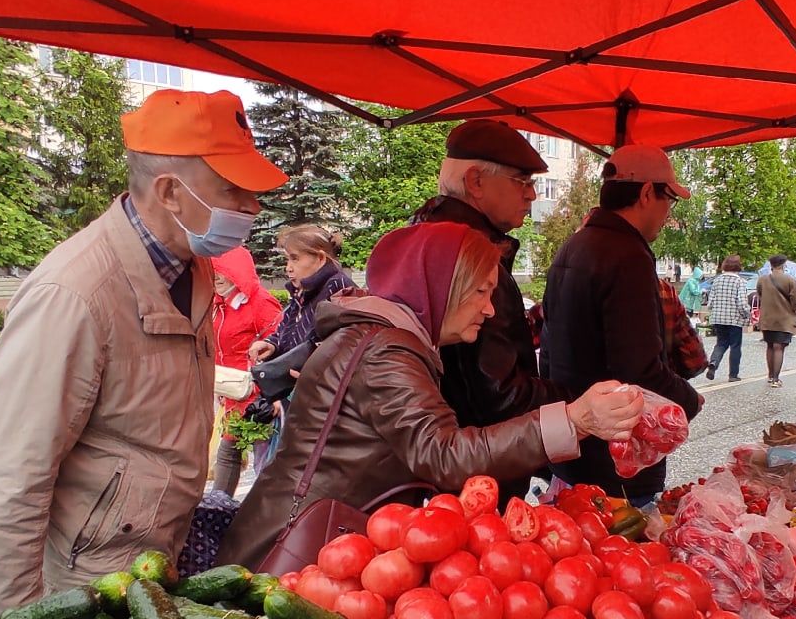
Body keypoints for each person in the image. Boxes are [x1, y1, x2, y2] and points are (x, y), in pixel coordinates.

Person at [0, 89, 283, 619]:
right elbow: (10, 479)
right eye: (233, 190)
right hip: (87, 591)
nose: (252, 207)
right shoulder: (74, 295)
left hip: (157, 570)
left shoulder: (192, 268)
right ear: (169, 192)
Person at [216, 224, 643, 568]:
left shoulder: (383, 339)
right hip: (296, 553)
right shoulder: (385, 352)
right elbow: (443, 453)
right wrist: (573, 420)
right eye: (480, 291)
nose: (490, 309)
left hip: (319, 542)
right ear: (440, 286)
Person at [411, 120, 570, 498]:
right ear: (476, 181)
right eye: (522, 181)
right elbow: (495, 393)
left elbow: (471, 357)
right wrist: (575, 400)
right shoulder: (471, 254)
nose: (532, 195)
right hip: (478, 471)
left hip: (445, 464)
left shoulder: (426, 234)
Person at [541, 145, 705, 504]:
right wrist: (690, 401)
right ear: (647, 193)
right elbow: (640, 370)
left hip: (572, 446)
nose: (667, 214)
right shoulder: (627, 256)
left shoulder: (574, 245)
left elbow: (549, 351)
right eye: (668, 200)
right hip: (616, 461)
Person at [210, 248, 283, 495]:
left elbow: (282, 345)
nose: (216, 276)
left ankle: (264, 517)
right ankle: (220, 509)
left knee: (264, 462)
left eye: (221, 270)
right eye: (213, 271)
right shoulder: (218, 305)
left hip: (259, 397)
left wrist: (272, 395)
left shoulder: (260, 302)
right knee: (231, 453)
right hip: (233, 394)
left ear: (236, 272)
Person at [248, 224, 353, 370]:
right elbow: (287, 333)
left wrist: (312, 376)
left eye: (295, 259)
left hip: (318, 389)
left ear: (320, 258)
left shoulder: (341, 291)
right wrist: (271, 345)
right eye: (287, 259)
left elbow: (344, 353)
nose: (288, 267)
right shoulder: (303, 291)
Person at [755, 253, 796, 386]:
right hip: (784, 318)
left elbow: (760, 295)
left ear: (771, 265)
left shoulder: (762, 280)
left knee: (770, 346)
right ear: (783, 265)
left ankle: (770, 376)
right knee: (779, 347)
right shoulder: (790, 280)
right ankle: (776, 379)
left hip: (767, 318)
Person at [703, 255, 750, 382]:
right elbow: (741, 303)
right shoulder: (739, 282)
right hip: (734, 319)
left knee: (721, 343)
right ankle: (733, 375)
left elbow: (710, 302)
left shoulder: (717, 281)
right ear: (738, 267)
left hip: (718, 318)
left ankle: (713, 363)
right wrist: (747, 314)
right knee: (735, 346)